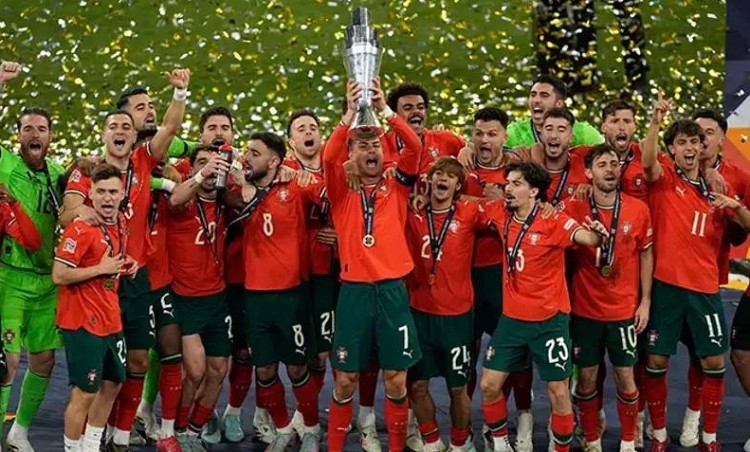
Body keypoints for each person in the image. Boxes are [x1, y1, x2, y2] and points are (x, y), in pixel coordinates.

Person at [61, 69, 190, 451]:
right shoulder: (87, 173)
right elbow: (67, 214)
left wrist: (180, 92)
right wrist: (85, 212)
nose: (120, 131)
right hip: (95, 283)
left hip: (134, 277)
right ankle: (84, 439)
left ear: (134, 136)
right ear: (103, 135)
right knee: (91, 376)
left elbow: (170, 127)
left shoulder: (143, 161)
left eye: (126, 127)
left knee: (134, 363)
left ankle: (118, 435)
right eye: (113, 126)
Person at [641, 94, 750, 452]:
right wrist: (655, 121)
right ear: (671, 149)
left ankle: (709, 436)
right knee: (656, 360)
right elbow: (647, 162)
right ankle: (659, 435)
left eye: (694, 142)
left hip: (705, 289)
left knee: (714, 361)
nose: (689, 148)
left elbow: (746, 226)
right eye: (682, 142)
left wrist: (735, 206)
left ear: (704, 147)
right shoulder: (663, 179)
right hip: (666, 288)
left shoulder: (719, 187)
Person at [480, 161, 609, 452]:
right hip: (512, 320)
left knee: (558, 392)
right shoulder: (500, 213)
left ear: (534, 191)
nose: (508, 189)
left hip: (549, 321)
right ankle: (500, 444)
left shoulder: (554, 220)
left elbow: (586, 237)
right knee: (488, 385)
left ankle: (560, 448)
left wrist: (598, 234)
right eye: (507, 183)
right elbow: (467, 203)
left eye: (516, 184)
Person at [324, 78, 422, 452]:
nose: (370, 150)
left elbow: (414, 147)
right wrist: (349, 114)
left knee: (396, 379)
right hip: (354, 293)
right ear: (350, 154)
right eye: (362, 145)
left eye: (375, 145)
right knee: (345, 379)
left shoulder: (397, 185)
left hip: (393, 291)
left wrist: (385, 111)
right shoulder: (341, 188)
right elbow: (328, 157)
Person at [232, 131, 324, 452]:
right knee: (264, 368)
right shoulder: (236, 187)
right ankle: (284, 429)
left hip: (290, 296)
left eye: (255, 153)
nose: (247, 157)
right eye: (247, 151)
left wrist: (300, 173)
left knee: (297, 367)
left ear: (274, 161)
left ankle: (311, 429)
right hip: (254, 297)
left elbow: (331, 194)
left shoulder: (294, 185)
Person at [564, 144, 653, 452]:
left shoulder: (638, 209)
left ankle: (628, 441)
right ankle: (591, 440)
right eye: (602, 164)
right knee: (586, 380)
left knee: (626, 378)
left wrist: (645, 302)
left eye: (614, 163)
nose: (610, 169)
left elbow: (646, 253)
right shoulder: (572, 208)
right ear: (589, 173)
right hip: (584, 310)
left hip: (623, 310)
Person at [0, 61, 67, 451]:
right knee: (6, 363)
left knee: (44, 362)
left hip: (47, 282)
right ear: (18, 135)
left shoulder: (58, 175)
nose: (35, 134)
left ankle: (19, 433)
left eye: (41, 128)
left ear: (50, 136)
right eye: (28, 128)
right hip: (10, 278)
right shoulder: (6, 164)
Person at [405, 157, 491, 452]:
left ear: (458, 186)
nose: (443, 178)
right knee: (417, 385)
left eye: (450, 176)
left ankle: (460, 442)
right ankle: (431, 441)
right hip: (419, 313)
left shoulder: (469, 212)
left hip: (456, 317)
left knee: (458, 387)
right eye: (438, 174)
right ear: (429, 181)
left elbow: (506, 209)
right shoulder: (413, 213)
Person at [53, 163, 137, 452]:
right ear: (90, 193)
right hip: (82, 320)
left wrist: (127, 264)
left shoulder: (120, 222)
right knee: (85, 394)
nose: (107, 198)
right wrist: (101, 269)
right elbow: (59, 274)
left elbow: (111, 257)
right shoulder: (80, 228)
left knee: (112, 384)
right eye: (100, 192)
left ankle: (91, 445)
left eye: (112, 191)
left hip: (110, 318)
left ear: (122, 193)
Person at [168, 146, 232, 451]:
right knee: (194, 371)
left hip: (217, 298)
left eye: (215, 164)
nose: (210, 168)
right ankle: (179, 429)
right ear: (192, 169)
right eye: (203, 163)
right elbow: (174, 199)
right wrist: (201, 174)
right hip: (186, 298)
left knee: (218, 370)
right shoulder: (182, 201)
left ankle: (193, 431)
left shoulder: (224, 202)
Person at [384, 82, 464, 174]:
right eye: (408, 108)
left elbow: (473, 149)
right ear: (395, 114)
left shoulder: (444, 139)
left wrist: (468, 149)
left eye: (421, 107)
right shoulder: (382, 144)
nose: (416, 111)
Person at [505, 75, 603, 149]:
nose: (536, 100)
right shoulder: (514, 133)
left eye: (544, 95)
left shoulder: (585, 134)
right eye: (533, 95)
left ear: (559, 104)